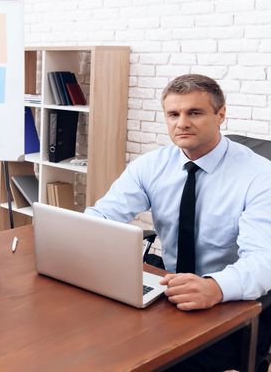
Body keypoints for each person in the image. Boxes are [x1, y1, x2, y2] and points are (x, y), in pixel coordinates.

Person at [86, 74, 271, 371]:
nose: (181, 123)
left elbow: (264, 258)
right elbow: (104, 215)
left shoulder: (260, 176)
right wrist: (78, 238)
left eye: (194, 113)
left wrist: (216, 288)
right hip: (170, 291)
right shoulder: (152, 165)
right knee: (99, 345)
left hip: (229, 303)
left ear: (220, 114)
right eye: (173, 114)